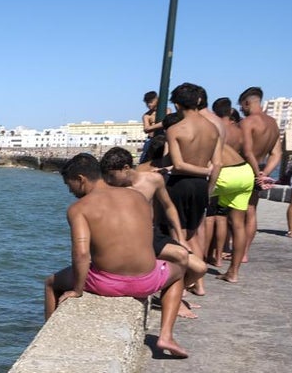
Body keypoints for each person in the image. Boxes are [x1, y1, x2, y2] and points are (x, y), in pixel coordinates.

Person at [45, 153, 189, 358]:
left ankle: (52, 340)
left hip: (106, 283)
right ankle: (166, 335)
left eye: (71, 186)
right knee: (178, 272)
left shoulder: (79, 208)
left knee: (51, 283)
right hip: (148, 281)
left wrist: (77, 289)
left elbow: (81, 253)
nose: (71, 192)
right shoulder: (137, 196)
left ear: (81, 179)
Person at [99, 147, 206, 313]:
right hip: (130, 240)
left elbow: (169, 207)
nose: (109, 180)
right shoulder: (111, 189)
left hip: (152, 235)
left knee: (200, 268)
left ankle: (170, 296)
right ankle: (174, 303)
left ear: (126, 168)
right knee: (180, 256)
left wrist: (180, 237)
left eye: (112, 175)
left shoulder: (153, 180)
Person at [164, 83, 221, 269]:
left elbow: (178, 164)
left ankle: (180, 282)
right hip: (201, 186)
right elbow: (218, 164)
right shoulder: (213, 129)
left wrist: (205, 171)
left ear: (178, 105)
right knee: (192, 235)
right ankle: (197, 280)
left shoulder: (175, 130)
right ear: (198, 101)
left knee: (177, 236)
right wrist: (208, 186)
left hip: (179, 184)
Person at [207, 97, 256, 282]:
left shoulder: (215, 128)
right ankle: (233, 272)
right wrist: (259, 174)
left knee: (206, 218)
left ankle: (204, 264)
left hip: (224, 172)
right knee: (238, 224)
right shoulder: (241, 130)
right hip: (245, 171)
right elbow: (250, 152)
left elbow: (214, 160)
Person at [237, 86, 283, 269]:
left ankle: (234, 250)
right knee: (251, 212)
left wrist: (256, 174)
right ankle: (245, 252)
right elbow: (277, 153)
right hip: (259, 172)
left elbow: (247, 152)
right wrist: (265, 174)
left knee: (236, 214)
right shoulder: (273, 124)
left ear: (247, 103)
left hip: (244, 170)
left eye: (242, 106)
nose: (241, 109)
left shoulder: (247, 122)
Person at [139, 90, 162, 163]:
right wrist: (162, 124)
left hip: (163, 139)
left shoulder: (167, 110)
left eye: (151, 102)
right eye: (147, 103)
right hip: (151, 139)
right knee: (144, 159)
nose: (149, 105)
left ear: (157, 100)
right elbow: (146, 129)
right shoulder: (147, 115)